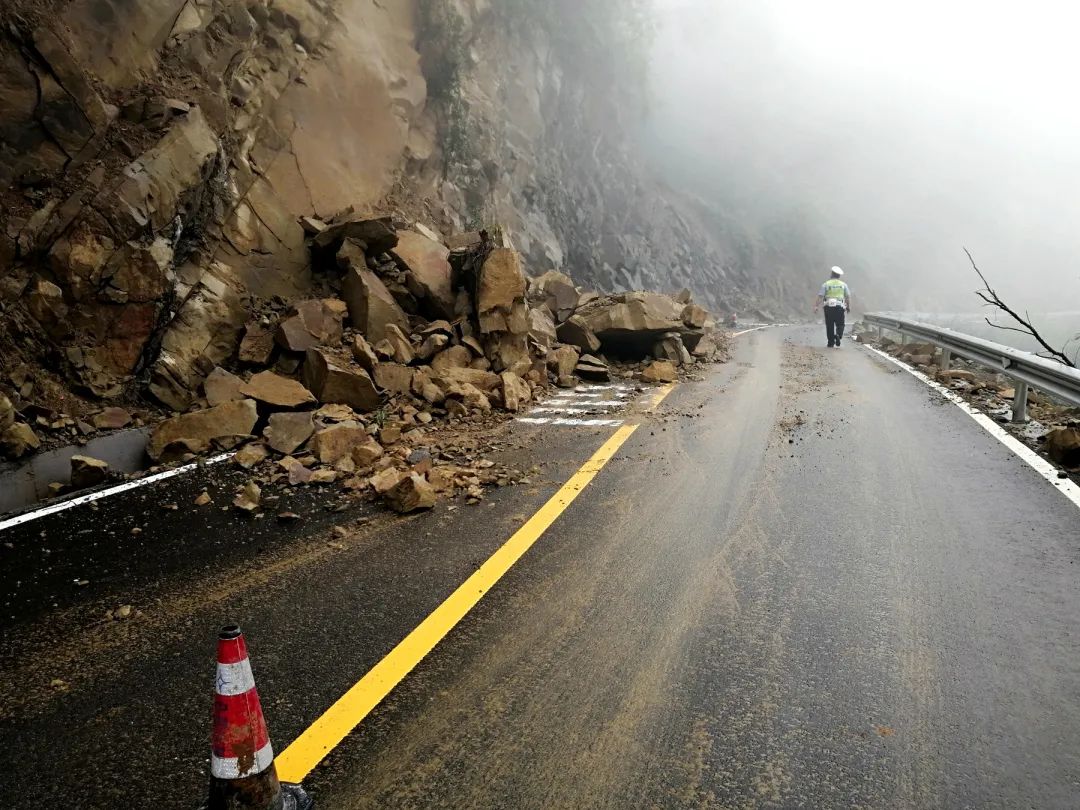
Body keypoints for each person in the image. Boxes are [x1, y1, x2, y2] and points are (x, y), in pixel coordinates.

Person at [814, 266, 851, 348]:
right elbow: (847, 297)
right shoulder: (843, 285)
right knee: (840, 324)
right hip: (839, 306)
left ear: (832, 274)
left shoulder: (826, 284)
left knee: (829, 325)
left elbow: (820, 296)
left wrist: (816, 306)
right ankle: (838, 335)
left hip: (828, 307)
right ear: (839, 276)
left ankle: (831, 342)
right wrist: (848, 307)